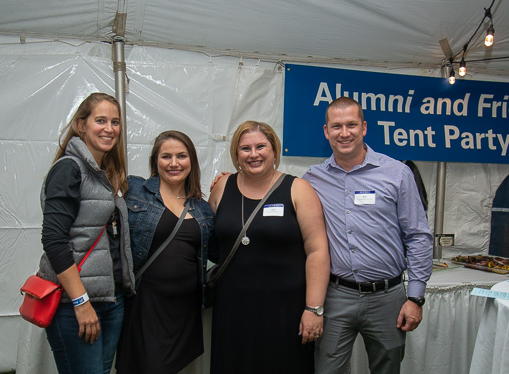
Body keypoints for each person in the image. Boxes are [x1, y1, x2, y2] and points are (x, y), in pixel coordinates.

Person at [303, 97, 434, 374]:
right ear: (326, 132)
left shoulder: (397, 173)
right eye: (336, 126)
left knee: (387, 369)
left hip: (388, 298)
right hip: (336, 296)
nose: (344, 133)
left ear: (364, 127)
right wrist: (236, 178)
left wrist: (415, 297)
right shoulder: (312, 179)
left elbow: (418, 236)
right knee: (327, 369)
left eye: (351, 124)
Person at [208, 121, 330, 374]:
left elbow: (317, 250)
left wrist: (314, 309)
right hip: (233, 310)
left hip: (285, 311)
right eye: (245, 149)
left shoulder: (298, 189)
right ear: (236, 155)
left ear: (274, 150)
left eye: (261, 146)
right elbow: (207, 238)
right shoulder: (222, 186)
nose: (254, 154)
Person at [37, 92, 135, 374]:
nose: (109, 128)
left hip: (110, 300)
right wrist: (81, 303)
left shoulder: (105, 173)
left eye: (115, 122)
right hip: (75, 304)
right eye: (100, 120)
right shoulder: (69, 169)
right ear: (81, 125)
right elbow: (54, 241)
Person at [116, 130, 214, 374]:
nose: (173, 163)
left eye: (181, 156)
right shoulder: (133, 189)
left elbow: (214, 250)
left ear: (191, 161)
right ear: (155, 161)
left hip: (184, 309)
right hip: (145, 304)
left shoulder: (202, 207)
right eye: (166, 156)